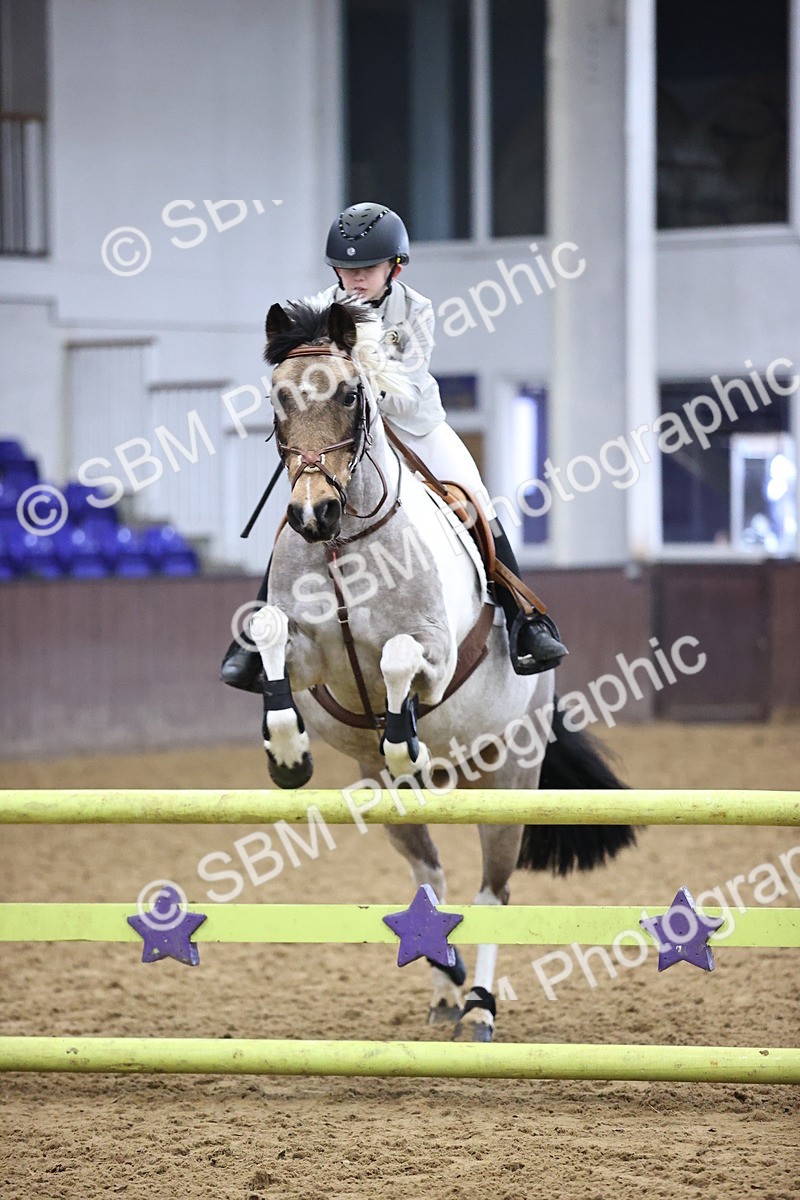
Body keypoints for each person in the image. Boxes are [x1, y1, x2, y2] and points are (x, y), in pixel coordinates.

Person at [221, 202, 567, 691]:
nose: (355, 278)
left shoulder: (417, 309)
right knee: (294, 517)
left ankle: (524, 619)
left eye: (367, 269)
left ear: (395, 267)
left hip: (413, 423)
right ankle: (252, 639)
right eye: (346, 268)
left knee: (476, 501)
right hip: (343, 431)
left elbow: (404, 379)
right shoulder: (318, 308)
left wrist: (357, 386)